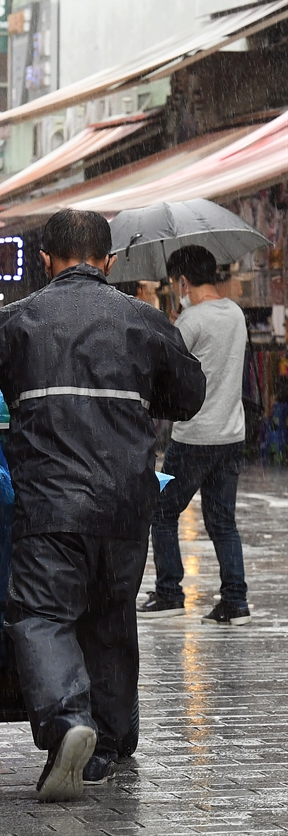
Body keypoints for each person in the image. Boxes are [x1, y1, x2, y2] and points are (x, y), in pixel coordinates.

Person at [0, 209, 205, 802]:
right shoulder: (144, 322)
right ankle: (110, 740)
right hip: (128, 506)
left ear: (47, 261)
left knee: (41, 616)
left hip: (51, 505)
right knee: (108, 616)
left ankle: (66, 721)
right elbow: (190, 394)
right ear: (108, 262)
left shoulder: (19, 319)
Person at [138, 245, 251, 626]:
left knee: (162, 512)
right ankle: (236, 602)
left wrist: (173, 326)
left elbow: (162, 370)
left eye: (175, 281)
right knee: (223, 522)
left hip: (195, 437)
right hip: (232, 435)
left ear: (183, 280)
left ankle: (170, 592)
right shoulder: (235, 314)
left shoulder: (192, 320)